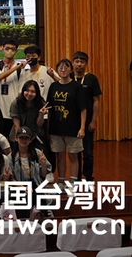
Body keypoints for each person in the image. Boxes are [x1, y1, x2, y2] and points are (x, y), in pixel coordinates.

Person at [43, 58, 87, 186]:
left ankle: (72, 184)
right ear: (57, 70)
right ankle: (61, 182)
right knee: (60, 156)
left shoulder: (77, 86)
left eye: (66, 67)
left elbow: (83, 109)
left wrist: (82, 127)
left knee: (73, 156)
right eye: (60, 67)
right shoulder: (53, 86)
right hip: (56, 128)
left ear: (71, 69)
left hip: (73, 128)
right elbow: (50, 108)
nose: (63, 70)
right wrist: (48, 128)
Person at [8, 126, 51, 220]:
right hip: (19, 186)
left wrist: (43, 164)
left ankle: (43, 218)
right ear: (16, 139)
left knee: (39, 194)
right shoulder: (11, 156)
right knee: (28, 196)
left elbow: (43, 175)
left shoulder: (37, 153)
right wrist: (23, 187)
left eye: (26, 138)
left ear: (30, 140)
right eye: (21, 138)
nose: (24, 140)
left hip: (35, 184)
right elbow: (10, 178)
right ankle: (26, 220)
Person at [72, 51, 102, 181]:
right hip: (72, 121)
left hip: (88, 120)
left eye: (82, 62)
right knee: (75, 152)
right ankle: (77, 177)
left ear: (86, 63)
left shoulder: (91, 79)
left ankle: (88, 176)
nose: (79, 64)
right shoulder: (69, 77)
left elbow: (96, 100)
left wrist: (94, 120)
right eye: (77, 61)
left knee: (88, 152)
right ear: (73, 63)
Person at [0, 39, 24, 136]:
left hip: (13, 110)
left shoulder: (21, 69)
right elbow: (0, 77)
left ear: (16, 51)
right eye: (7, 48)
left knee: (13, 138)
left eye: (12, 49)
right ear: (2, 49)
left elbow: (21, 90)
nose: (9, 51)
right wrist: (16, 67)